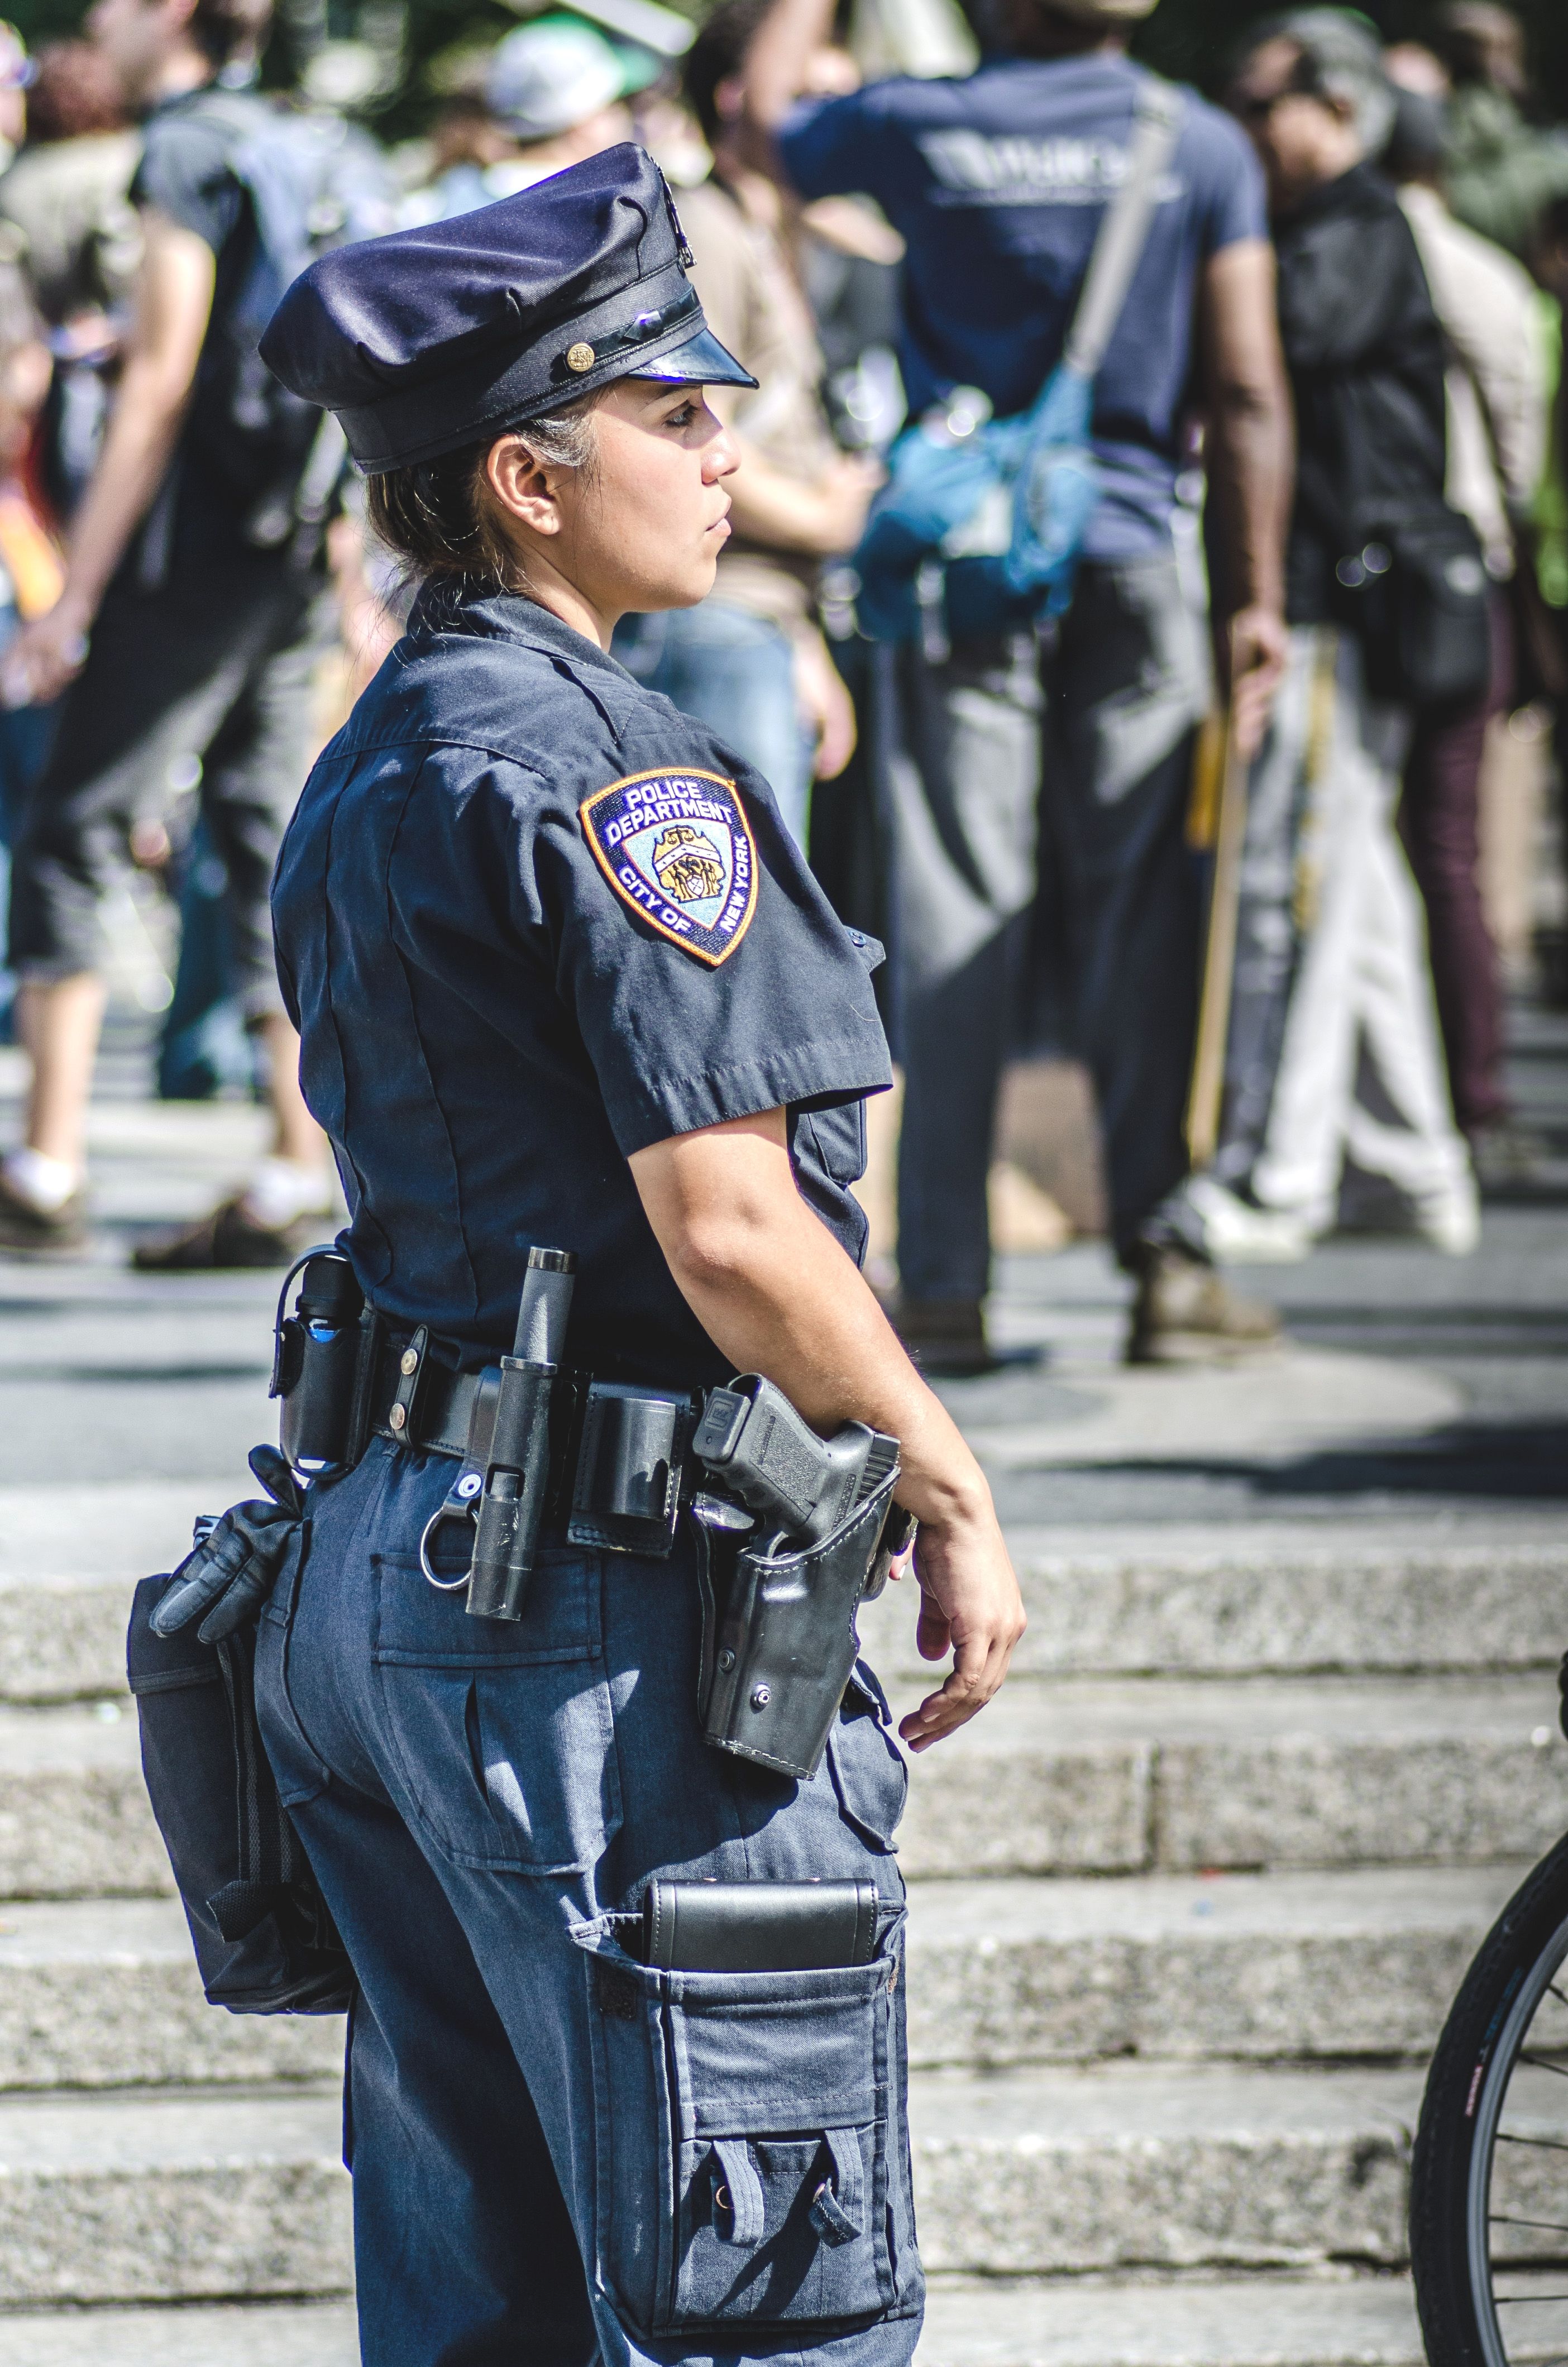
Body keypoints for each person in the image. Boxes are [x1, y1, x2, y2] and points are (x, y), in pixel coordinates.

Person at [248, 141, 1024, 2364]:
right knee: (759, 2303)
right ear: (527, 474)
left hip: (402, 1577)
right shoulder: (612, 769)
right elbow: (730, 1220)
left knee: (481, 2301)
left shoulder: (388, 741)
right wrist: (952, 1482)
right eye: (674, 412)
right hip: (596, 1605)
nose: (726, 447)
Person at [741, 0, 1294, 1371]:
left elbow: (754, 127)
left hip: (970, 565)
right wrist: (1257, 599)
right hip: (1133, 560)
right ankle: (1165, 1264)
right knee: (1148, 919)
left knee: (951, 913)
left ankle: (939, 1282)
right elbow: (1246, 391)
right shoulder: (1198, 141)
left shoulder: (924, 125)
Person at [0, 0, 345, 1261]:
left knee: (75, 823)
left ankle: (45, 1161)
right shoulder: (304, 137)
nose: (99, 25)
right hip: (292, 544)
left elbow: (158, 376)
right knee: (268, 836)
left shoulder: (185, 153)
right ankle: (294, 1164)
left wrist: (76, 598)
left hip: (184, 551)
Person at [1188, 11, 1478, 1260]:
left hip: (1333, 601)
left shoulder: (1352, 229)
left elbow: (1274, 354)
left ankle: (1279, 1176)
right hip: (1348, 602)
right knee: (1354, 883)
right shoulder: (1334, 224)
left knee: (1293, 889)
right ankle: (1416, 1164)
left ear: (1337, 108)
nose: (1240, 129)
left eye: (1261, 104)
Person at [613, 0, 875, 850]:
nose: (843, 128)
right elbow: (681, 421)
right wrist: (825, 521)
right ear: (740, 99)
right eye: (817, 98)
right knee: (744, 913)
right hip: (717, 617)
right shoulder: (709, 230)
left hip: (761, 613)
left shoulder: (774, 231)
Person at [1387, 79, 1547, 1179]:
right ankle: (1469, 1094)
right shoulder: (1482, 270)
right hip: (1462, 570)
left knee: (1411, 850)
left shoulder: (1393, 253)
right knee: (1446, 848)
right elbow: (1521, 421)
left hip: (1413, 578)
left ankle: (1457, 1092)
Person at [404, 16, 645, 226]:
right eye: (615, 105)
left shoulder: (437, 204)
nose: (623, 116)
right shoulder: (605, 215)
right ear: (584, 125)